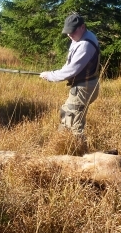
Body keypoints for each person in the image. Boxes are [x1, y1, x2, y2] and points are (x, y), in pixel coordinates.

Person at [39, 13, 100, 153]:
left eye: (72, 31)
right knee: (66, 114)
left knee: (74, 124)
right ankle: (64, 149)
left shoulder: (85, 45)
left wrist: (50, 75)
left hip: (83, 87)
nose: (69, 35)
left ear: (82, 27)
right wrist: (53, 73)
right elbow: (69, 66)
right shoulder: (81, 37)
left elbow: (71, 71)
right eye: (67, 32)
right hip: (85, 85)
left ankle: (81, 155)